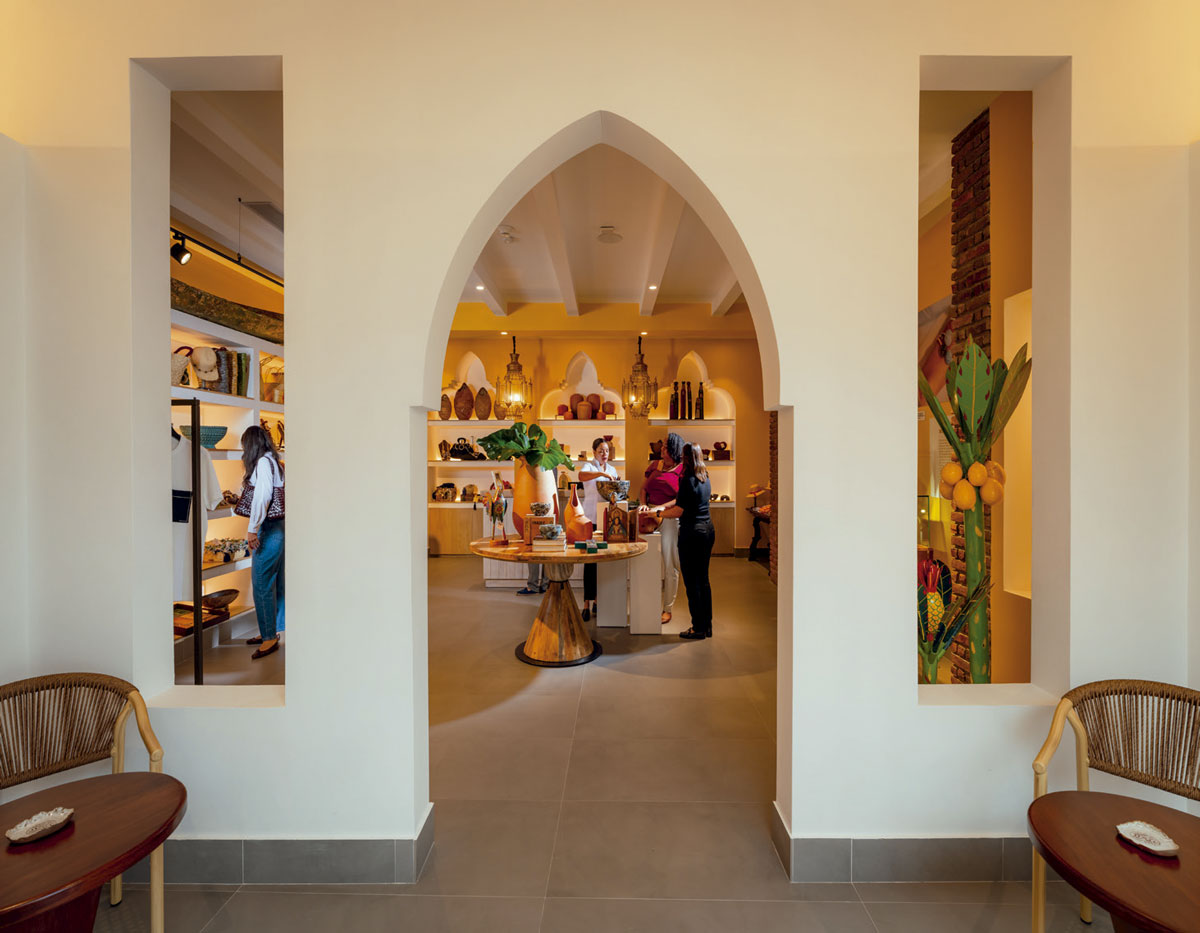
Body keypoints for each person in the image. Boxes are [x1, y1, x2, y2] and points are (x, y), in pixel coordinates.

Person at [240, 425, 285, 659]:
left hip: (268, 527)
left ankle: (269, 638)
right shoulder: (274, 461)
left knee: (261, 582)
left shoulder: (263, 464)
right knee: (273, 582)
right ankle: (269, 630)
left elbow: (263, 497)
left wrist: (252, 529)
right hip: (279, 527)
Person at [660, 443, 713, 639]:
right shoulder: (704, 477)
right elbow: (686, 502)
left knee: (692, 583)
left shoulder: (687, 479)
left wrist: (657, 513)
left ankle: (697, 628)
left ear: (687, 458)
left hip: (692, 534)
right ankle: (706, 626)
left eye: (683, 456)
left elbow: (679, 510)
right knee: (703, 581)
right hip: (707, 530)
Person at [642, 432, 684, 625]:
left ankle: (667, 608)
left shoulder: (682, 469)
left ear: (674, 450)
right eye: (663, 445)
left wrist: (660, 508)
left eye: (666, 446)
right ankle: (646, 604)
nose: (662, 449)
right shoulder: (655, 465)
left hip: (669, 517)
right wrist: (644, 505)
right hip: (649, 515)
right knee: (645, 561)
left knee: (670, 563)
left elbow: (680, 498)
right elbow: (644, 489)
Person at [576, 437, 619, 620]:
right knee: (590, 561)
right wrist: (600, 474)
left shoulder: (612, 470)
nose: (604, 454)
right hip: (590, 521)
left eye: (607, 451)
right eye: (601, 451)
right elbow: (581, 477)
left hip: (606, 520)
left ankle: (598, 601)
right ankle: (586, 603)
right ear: (594, 452)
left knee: (602, 562)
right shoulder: (589, 466)